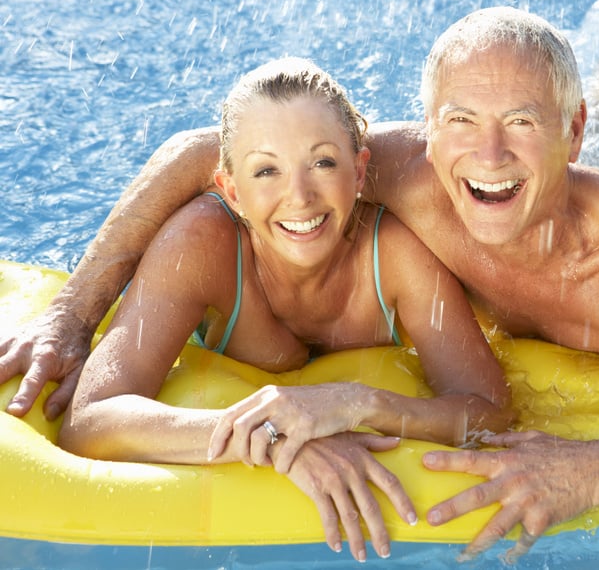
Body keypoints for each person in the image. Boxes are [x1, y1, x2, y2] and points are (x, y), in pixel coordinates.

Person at [2, 8, 599, 561]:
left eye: (522, 123)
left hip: (597, 231)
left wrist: (597, 472)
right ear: (427, 133)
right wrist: (74, 314)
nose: (484, 157)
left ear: (563, 133)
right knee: (517, 176)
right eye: (462, 125)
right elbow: (206, 151)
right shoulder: (399, 174)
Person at [54, 57, 512, 563]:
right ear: (231, 189)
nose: (299, 197)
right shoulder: (203, 245)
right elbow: (89, 419)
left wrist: (361, 403)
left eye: (323, 162)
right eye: (266, 170)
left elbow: (490, 412)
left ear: (359, 171)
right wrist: (271, 440)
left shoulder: (397, 255)